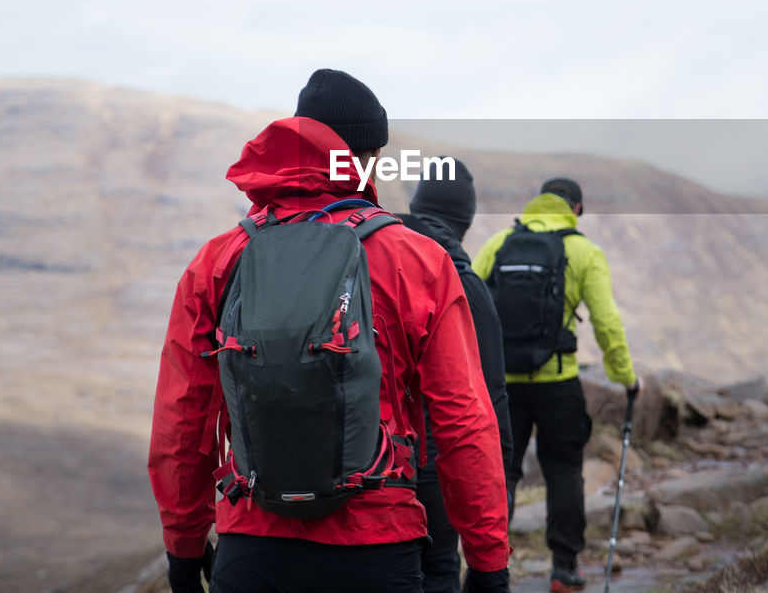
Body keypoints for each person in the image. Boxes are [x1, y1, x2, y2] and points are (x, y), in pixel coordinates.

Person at [148, 69, 511, 593]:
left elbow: (183, 421)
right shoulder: (418, 260)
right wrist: (487, 560)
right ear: (365, 159)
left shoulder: (218, 261)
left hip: (253, 548)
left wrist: (183, 549)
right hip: (378, 545)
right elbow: (463, 422)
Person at [473, 178, 638, 593]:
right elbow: (606, 322)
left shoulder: (498, 244)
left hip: (503, 385)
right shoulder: (583, 251)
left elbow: (467, 303)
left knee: (502, 473)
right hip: (558, 382)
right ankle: (564, 569)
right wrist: (625, 377)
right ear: (576, 208)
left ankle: (488, 570)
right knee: (564, 470)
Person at [399, 158, 514, 593]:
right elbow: (489, 408)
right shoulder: (464, 285)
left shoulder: (370, 253)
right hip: (433, 473)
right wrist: (493, 537)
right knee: (437, 573)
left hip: (368, 467)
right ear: (466, 221)